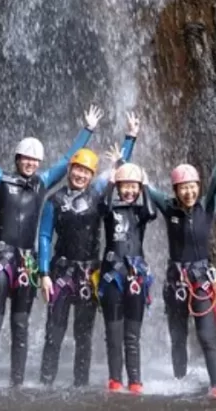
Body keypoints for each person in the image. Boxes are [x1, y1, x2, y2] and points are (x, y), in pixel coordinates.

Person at [0, 98, 104, 388]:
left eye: (35, 160)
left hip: (27, 262)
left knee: (20, 327)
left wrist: (87, 130)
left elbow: (67, 162)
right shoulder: (1, 180)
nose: (30, 163)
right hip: (0, 258)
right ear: (17, 158)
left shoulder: (42, 183)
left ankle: (17, 384)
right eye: (26, 158)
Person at [37, 113, 141, 387]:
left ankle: (80, 385)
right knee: (54, 333)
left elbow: (118, 171)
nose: (80, 174)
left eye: (86, 171)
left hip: (89, 273)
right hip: (61, 272)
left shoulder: (96, 194)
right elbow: (45, 236)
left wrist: (130, 137)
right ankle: (45, 383)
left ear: (91, 175)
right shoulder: (54, 200)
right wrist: (43, 272)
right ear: (70, 169)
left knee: (84, 336)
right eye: (77, 169)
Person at [145, 125, 216, 400]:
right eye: (183, 188)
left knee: (207, 336)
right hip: (175, 281)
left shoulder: (207, 207)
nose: (188, 192)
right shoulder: (169, 208)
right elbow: (145, 187)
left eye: (192, 187)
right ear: (176, 190)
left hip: (201, 281)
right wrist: (124, 161)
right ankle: (180, 382)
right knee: (178, 338)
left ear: (197, 188)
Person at [98, 160, 156, 393]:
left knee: (132, 335)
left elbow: (152, 212)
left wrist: (147, 186)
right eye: (125, 186)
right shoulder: (111, 211)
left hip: (136, 276)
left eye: (134, 187)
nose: (129, 190)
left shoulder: (141, 213)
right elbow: (102, 205)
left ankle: (135, 381)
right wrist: (111, 182)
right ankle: (114, 380)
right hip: (112, 274)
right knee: (113, 333)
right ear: (119, 187)